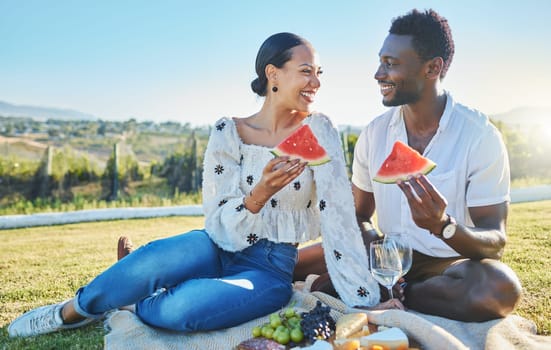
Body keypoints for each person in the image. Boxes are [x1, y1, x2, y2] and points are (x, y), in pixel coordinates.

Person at [9, 32, 397, 339]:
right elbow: (216, 219)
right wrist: (258, 195)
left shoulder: (320, 130)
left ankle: (130, 304)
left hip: (270, 267)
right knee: (149, 260)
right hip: (216, 243)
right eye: (306, 71)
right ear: (273, 74)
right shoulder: (228, 132)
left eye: (319, 73)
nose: (316, 82)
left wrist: (364, 298)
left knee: (184, 308)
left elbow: (340, 220)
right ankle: (69, 313)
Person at [299, 9, 523, 322]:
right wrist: (379, 254)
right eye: (380, 61)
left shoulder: (479, 136)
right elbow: (359, 216)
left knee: (500, 288)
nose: (378, 74)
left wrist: (442, 225)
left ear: (432, 67)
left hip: (450, 265)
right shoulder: (374, 134)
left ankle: (395, 294)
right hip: (387, 257)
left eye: (390, 64)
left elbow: (494, 241)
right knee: (295, 261)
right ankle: (380, 284)